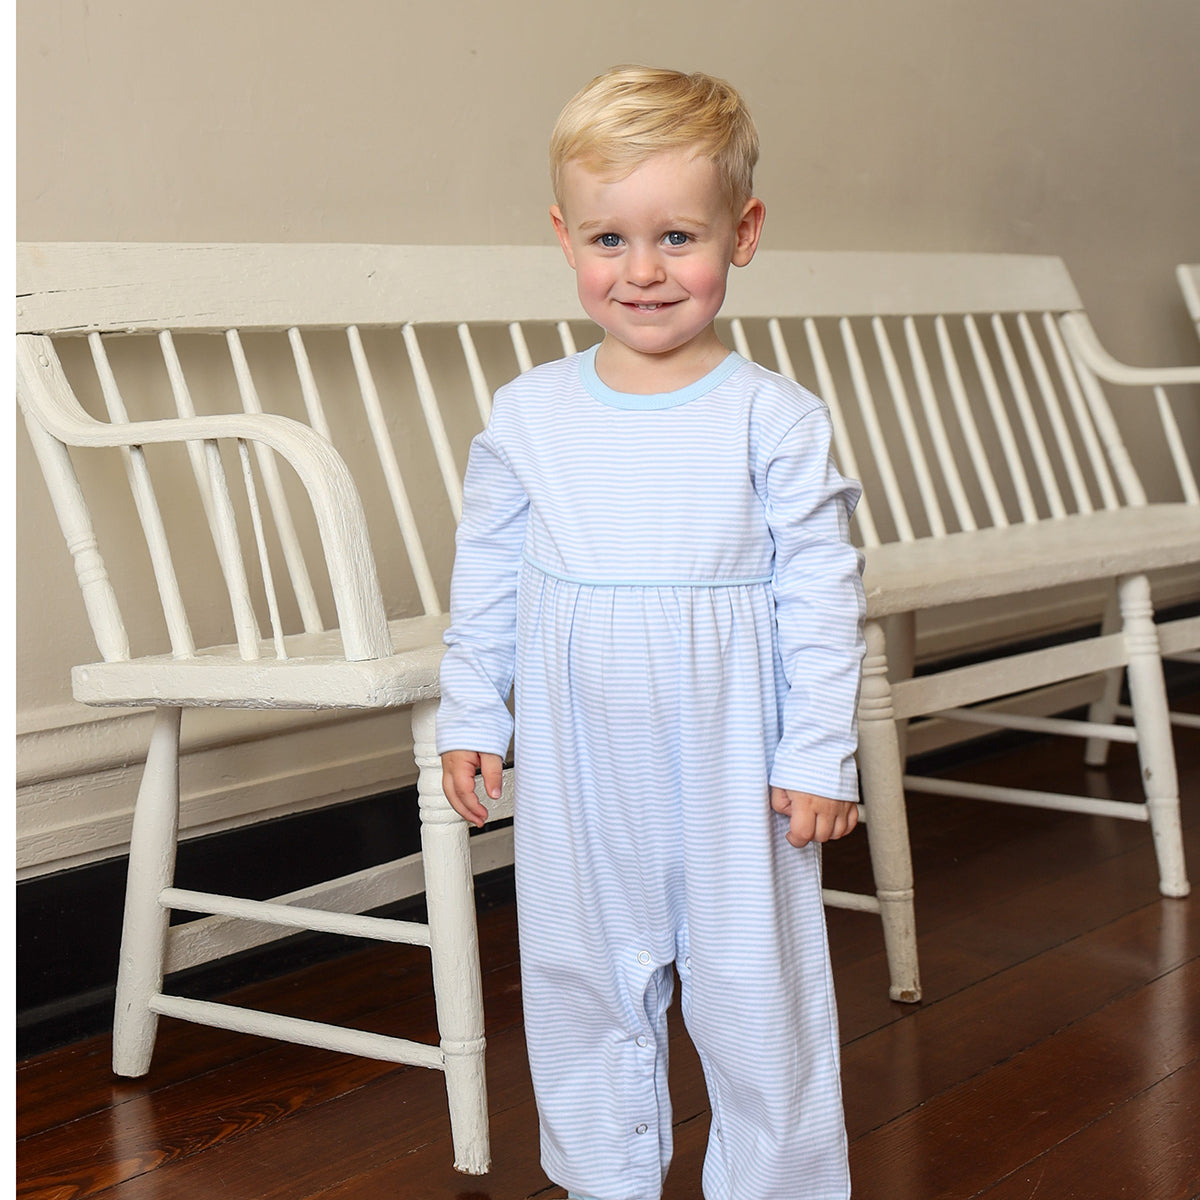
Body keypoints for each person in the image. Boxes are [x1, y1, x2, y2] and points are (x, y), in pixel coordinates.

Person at [437, 64, 864, 1200]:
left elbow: (820, 592)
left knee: (754, 993)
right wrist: (475, 710)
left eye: (678, 235)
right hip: (584, 766)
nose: (642, 271)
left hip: (735, 768)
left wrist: (819, 748)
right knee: (581, 978)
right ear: (564, 240)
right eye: (609, 239)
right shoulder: (531, 413)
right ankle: (606, 1178)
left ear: (744, 232)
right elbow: (486, 575)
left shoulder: (773, 417)